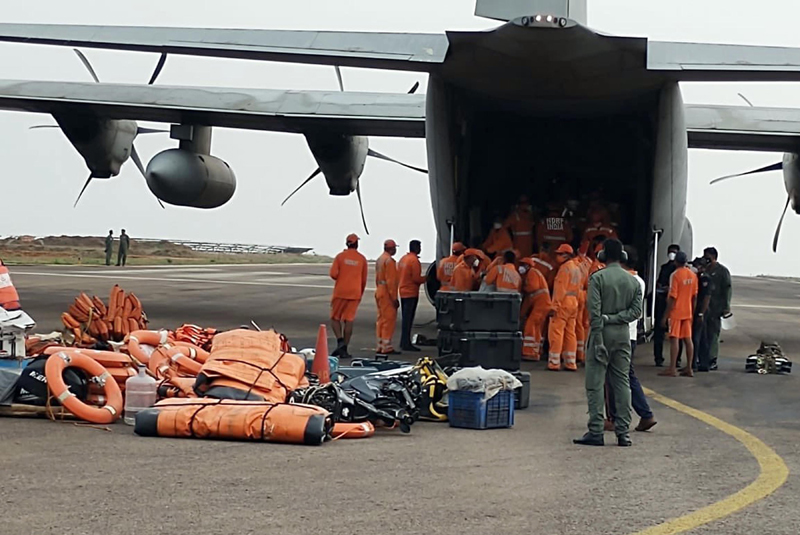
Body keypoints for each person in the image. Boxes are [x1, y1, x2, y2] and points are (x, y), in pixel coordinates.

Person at [574, 239, 642, 447]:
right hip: (622, 336)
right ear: (622, 257)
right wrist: (616, 318)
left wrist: (600, 335)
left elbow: (594, 313)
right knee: (622, 383)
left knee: (595, 384)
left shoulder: (597, 278)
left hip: (601, 334)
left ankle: (596, 430)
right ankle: (623, 433)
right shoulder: (633, 282)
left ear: (603, 256)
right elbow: (636, 312)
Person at [605, 246, 657, 433]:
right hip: (631, 335)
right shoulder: (639, 281)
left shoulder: (621, 280)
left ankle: (616, 418)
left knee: (612, 378)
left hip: (617, 333)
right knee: (626, 375)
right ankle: (644, 414)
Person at [329, 233, 369, 359]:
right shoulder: (362, 259)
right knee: (349, 320)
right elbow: (364, 279)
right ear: (357, 244)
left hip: (341, 291)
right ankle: (345, 348)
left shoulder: (340, 257)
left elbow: (333, 274)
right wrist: (360, 293)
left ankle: (340, 340)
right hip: (355, 293)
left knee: (335, 318)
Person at [659, 252, 698, 377]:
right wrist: (693, 312)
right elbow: (694, 296)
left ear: (676, 262)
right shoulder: (693, 275)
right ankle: (689, 367)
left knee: (674, 338)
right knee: (688, 339)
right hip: (688, 311)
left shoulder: (675, 275)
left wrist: (665, 315)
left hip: (676, 311)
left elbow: (672, 297)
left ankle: (672, 368)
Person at [547, 244, 581, 372]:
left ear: (566, 255)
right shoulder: (576, 268)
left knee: (556, 332)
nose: (557, 257)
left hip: (563, 303)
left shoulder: (564, 269)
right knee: (570, 333)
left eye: (559, 254)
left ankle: (554, 362)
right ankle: (570, 362)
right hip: (574, 303)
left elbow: (560, 289)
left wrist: (554, 306)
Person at [702, 247, 732, 371]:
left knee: (713, 334)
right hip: (704, 308)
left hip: (716, 308)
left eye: (707, 257)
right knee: (703, 334)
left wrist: (726, 307)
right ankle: (703, 358)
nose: (705, 259)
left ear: (714, 257)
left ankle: (712, 359)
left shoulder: (722, 271)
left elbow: (727, 289)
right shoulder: (704, 270)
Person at [520, 257, 552, 361]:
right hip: (543, 304)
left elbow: (533, 287)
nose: (521, 267)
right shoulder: (534, 273)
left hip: (541, 304)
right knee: (537, 327)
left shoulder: (532, 272)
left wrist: (523, 287)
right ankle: (536, 351)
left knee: (530, 325)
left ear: (528, 266)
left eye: (523, 265)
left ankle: (529, 352)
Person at [653, 244, 680, 366]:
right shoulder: (664, 268)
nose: (671, 254)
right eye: (670, 252)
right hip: (662, 302)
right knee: (659, 332)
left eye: (674, 252)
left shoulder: (679, 271)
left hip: (674, 303)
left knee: (676, 334)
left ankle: (676, 360)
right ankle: (658, 358)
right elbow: (659, 282)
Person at [398, 240, 427, 352]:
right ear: (416, 248)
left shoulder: (403, 259)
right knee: (408, 320)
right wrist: (426, 279)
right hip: (411, 292)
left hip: (403, 291)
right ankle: (406, 343)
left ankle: (403, 341)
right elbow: (416, 278)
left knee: (405, 319)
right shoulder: (414, 261)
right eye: (419, 247)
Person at [375, 239, 400, 357]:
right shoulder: (389, 261)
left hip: (379, 290)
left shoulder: (380, 259)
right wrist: (394, 298)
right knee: (388, 319)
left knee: (381, 319)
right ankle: (386, 346)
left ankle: (380, 344)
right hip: (386, 293)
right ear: (392, 248)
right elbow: (391, 282)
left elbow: (377, 278)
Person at [692, 257, 714, 371]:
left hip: (701, 311)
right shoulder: (698, 277)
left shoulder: (705, 279)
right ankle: (703, 363)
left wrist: (701, 313)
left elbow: (706, 297)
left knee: (697, 338)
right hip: (699, 310)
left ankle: (695, 363)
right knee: (702, 338)